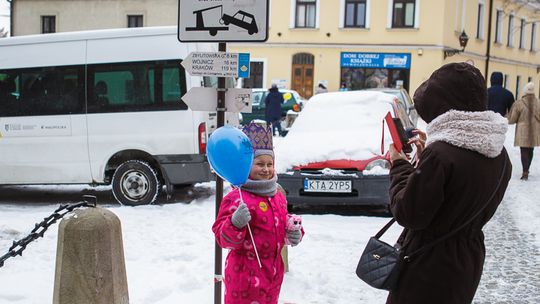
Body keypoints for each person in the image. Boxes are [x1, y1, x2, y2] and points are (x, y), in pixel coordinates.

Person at [386, 63, 512, 304]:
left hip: (428, 265)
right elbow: (461, 191)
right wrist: (425, 162)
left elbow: (409, 214)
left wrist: (400, 165)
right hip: (467, 262)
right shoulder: (500, 154)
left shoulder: (442, 155)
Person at [212, 122, 304, 304]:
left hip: (273, 275)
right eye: (260, 163)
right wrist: (234, 223)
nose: (266, 169)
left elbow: (279, 224)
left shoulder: (277, 194)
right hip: (243, 277)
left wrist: (293, 232)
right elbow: (222, 238)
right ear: (246, 164)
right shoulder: (235, 198)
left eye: (270, 164)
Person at [507, 82, 540, 180]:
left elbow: (512, 120)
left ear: (525, 91)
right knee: (531, 150)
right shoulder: (538, 103)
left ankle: (525, 171)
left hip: (523, 131)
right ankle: (527, 169)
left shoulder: (519, 103)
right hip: (534, 130)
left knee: (524, 150)